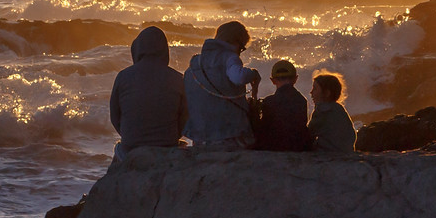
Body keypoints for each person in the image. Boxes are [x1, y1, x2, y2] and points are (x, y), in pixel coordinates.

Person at [109, 25, 187, 155]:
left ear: (137, 49)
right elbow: (185, 119)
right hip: (167, 147)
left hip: (131, 148)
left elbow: (115, 116)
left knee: (118, 150)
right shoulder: (178, 78)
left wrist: (131, 136)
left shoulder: (123, 76)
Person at [183, 20, 260, 149]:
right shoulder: (229, 57)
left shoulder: (196, 62)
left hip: (200, 135)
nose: (239, 53)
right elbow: (239, 77)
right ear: (235, 42)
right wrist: (253, 74)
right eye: (241, 48)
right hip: (228, 134)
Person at [254, 59, 311, 151]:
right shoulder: (302, 101)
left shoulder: (269, 101)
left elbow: (263, 129)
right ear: (296, 79)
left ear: (272, 80)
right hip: (297, 146)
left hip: (273, 146)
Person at [307, 71, 359, 154]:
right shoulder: (339, 109)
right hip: (346, 151)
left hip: (329, 153)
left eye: (315, 88)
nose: (311, 92)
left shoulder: (322, 110)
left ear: (327, 93)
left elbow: (309, 134)